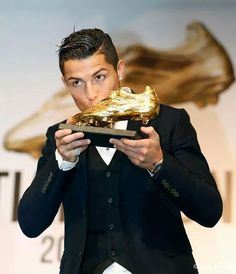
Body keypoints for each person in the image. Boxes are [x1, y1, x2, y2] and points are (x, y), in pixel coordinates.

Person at [18, 28, 223, 274]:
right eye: (77, 83)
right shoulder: (61, 136)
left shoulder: (168, 122)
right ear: (65, 84)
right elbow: (31, 224)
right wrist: (61, 162)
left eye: (99, 77)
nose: (91, 94)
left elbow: (209, 212)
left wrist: (158, 163)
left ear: (120, 70)